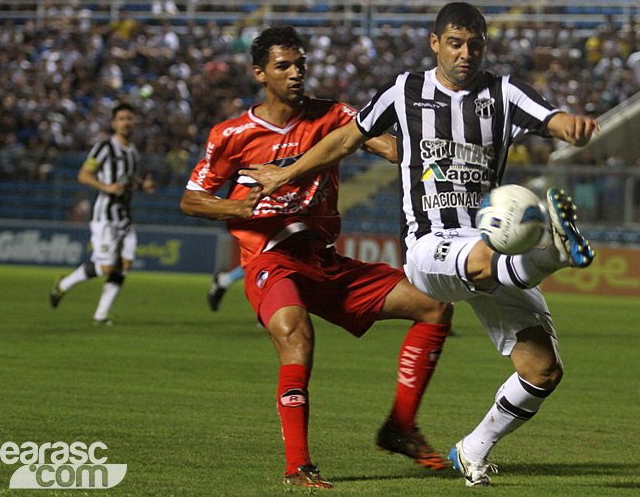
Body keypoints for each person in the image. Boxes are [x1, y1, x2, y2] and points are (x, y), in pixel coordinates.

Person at [242, 2, 599, 487]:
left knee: (542, 370)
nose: (465, 53)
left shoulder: (504, 92)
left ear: (485, 46)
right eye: (455, 43)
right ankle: (552, 253)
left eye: (475, 44)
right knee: (487, 257)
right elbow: (346, 138)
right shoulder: (405, 90)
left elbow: (551, 119)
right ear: (436, 44)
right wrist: (286, 172)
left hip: (490, 242)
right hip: (432, 244)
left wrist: (572, 127)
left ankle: (472, 449)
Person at [179, 27, 454, 489]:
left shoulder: (334, 115)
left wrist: (415, 151)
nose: (295, 72)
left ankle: (400, 428)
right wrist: (237, 207)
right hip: (272, 258)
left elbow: (384, 145)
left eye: (300, 64)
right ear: (260, 73)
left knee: (433, 308)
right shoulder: (232, 134)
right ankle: (298, 465)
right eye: (283, 65)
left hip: (325, 261)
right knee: (296, 336)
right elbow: (192, 199)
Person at [50, 103, 155, 325]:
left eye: (130, 118)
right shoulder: (105, 147)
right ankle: (63, 285)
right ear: (114, 123)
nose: (126, 122)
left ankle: (100, 315)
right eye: (122, 118)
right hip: (105, 215)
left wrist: (142, 186)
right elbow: (84, 175)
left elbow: (128, 181)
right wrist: (106, 187)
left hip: (125, 215)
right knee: (106, 267)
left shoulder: (133, 151)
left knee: (124, 264)